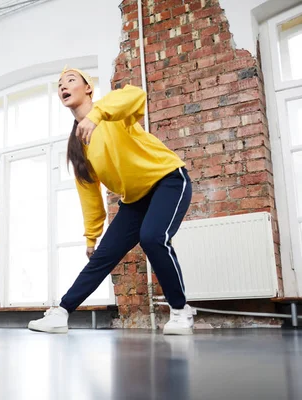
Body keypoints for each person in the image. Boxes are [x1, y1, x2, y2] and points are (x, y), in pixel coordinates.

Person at [28, 68, 194, 335]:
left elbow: (136, 95)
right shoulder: (78, 145)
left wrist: (96, 115)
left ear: (88, 88)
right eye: (59, 84)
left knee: (152, 237)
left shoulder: (110, 110)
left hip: (168, 180)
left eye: (70, 81)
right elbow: (90, 196)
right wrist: (91, 237)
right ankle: (61, 313)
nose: (63, 86)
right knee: (102, 257)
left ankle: (180, 311)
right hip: (136, 199)